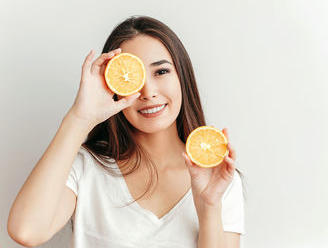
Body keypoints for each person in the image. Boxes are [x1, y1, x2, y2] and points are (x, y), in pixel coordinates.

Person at [7, 15, 246, 248]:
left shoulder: (218, 178)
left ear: (182, 76)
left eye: (161, 72)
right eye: (132, 77)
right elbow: (26, 232)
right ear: (113, 87)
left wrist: (209, 207)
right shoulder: (86, 167)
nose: (148, 91)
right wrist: (79, 118)